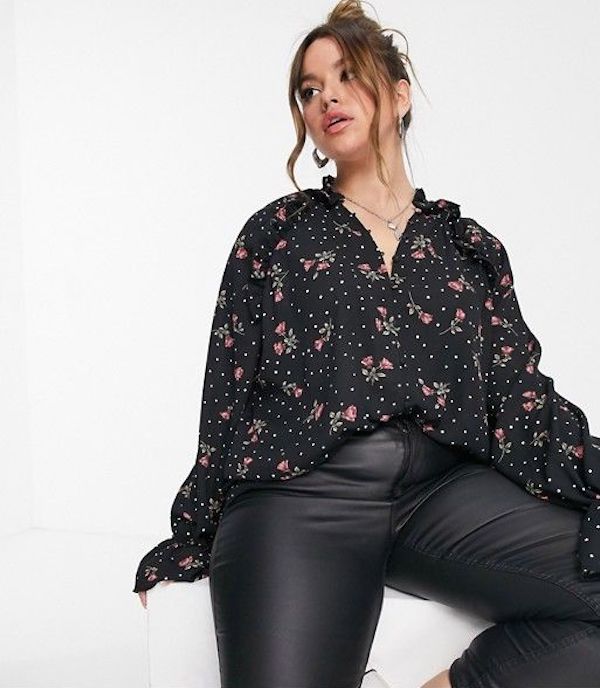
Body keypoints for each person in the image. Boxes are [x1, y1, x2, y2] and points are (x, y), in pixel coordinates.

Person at [133, 1, 600, 686]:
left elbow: (519, 395)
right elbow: (226, 390)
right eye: (310, 89)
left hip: (444, 494)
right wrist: (190, 536)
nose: (327, 97)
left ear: (399, 95)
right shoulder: (278, 233)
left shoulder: (469, 248)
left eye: (347, 76)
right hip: (302, 495)